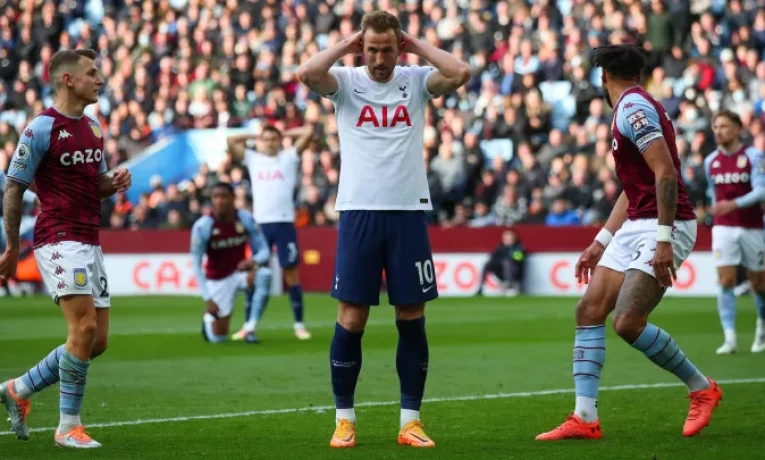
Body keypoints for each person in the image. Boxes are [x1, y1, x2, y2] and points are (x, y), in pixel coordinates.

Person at [298, 10, 470, 449]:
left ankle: (409, 421)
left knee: (410, 317)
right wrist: (348, 44)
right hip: (358, 211)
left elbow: (461, 72)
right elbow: (306, 72)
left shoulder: (414, 80)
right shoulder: (345, 81)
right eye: (371, 49)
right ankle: (344, 419)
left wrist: (414, 44)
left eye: (387, 49)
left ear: (399, 47)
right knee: (352, 317)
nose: (378, 58)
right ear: (361, 47)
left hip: (409, 211)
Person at [536, 44, 722, 442]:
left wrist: (664, 240)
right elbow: (633, 186)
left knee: (627, 322)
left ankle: (702, 388)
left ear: (603, 77)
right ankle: (585, 417)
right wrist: (601, 241)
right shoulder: (632, 107)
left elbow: (666, 174)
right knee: (588, 309)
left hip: (664, 225)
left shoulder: (634, 111)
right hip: (637, 223)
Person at [0, 49, 132, 448]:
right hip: (57, 237)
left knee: (97, 341)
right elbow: (13, 189)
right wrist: (10, 248)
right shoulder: (40, 128)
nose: (100, 80)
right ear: (68, 80)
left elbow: (98, 184)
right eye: (92, 73)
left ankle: (18, 389)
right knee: (83, 328)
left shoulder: (93, 128)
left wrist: (115, 183)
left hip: (90, 239)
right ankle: (67, 426)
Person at [227, 125, 314, 341]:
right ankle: (249, 326)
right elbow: (231, 140)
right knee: (255, 274)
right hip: (261, 224)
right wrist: (255, 135)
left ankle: (299, 324)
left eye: (273, 139)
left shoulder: (289, 157)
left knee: (291, 272)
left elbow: (308, 132)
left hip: (285, 222)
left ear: (280, 140)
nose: (270, 143)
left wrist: (285, 133)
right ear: (259, 141)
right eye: (265, 139)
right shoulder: (253, 158)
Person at [704, 110, 765, 354]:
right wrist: (716, 207)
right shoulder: (710, 162)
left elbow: (761, 191)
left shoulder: (753, 156)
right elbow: (712, 192)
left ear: (738, 129)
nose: (718, 131)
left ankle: (761, 326)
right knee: (726, 280)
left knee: (759, 284)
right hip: (723, 227)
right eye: (715, 126)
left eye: (724, 126)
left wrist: (735, 204)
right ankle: (729, 338)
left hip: (751, 226)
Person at [190, 182, 272, 344]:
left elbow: (264, 250)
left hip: (240, 273)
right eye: (215, 197)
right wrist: (208, 298)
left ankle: (250, 327)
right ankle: (208, 318)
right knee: (218, 338)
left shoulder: (245, 219)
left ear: (233, 198)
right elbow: (196, 264)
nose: (220, 201)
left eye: (224, 196)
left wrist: (253, 261)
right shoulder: (203, 226)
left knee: (264, 275)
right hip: (218, 279)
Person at [477, 229, 525, 295]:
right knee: (487, 265)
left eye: (509, 236)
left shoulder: (518, 247)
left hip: (514, 272)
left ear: (514, 237)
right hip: (501, 272)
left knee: (507, 263)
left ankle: (509, 285)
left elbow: (519, 259)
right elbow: (493, 258)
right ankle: (480, 288)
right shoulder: (500, 247)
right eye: (506, 236)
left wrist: (510, 251)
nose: (507, 238)